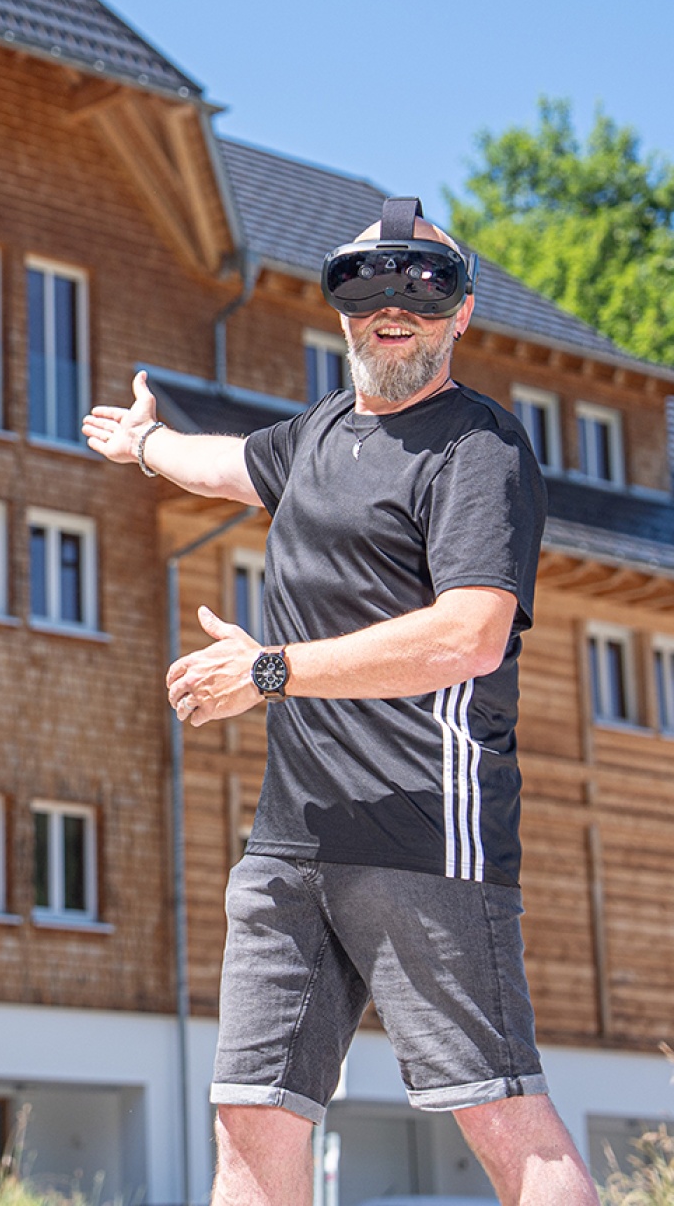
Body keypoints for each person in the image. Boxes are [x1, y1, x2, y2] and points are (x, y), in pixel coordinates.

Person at [82, 201, 598, 1206]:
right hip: (291, 839)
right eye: (366, 287)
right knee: (249, 1117)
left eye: (424, 287)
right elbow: (224, 464)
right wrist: (146, 444)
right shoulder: (316, 434)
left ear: (461, 313)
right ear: (342, 311)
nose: (393, 308)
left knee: (499, 1115)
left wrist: (271, 670)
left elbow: (469, 633)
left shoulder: (477, 448)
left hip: (425, 832)